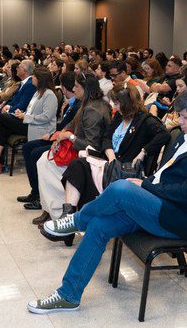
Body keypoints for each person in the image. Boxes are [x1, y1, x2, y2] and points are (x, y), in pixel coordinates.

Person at [28, 87, 187, 314]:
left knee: (122, 188)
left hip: (183, 220)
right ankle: (69, 295)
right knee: (99, 225)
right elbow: (164, 173)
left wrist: (144, 186)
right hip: (162, 204)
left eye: (184, 117)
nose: (179, 122)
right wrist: (147, 185)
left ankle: (75, 220)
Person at [35, 84, 169, 228]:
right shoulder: (119, 116)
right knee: (77, 165)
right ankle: (69, 217)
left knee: (79, 168)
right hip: (110, 164)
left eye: (117, 103)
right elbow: (106, 138)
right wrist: (110, 154)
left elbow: (164, 134)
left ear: (126, 103)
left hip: (124, 170)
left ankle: (70, 222)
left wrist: (144, 151)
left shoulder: (145, 120)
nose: (114, 106)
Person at [36, 73, 111, 220]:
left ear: (86, 88)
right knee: (43, 160)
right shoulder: (91, 103)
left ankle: (59, 213)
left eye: (77, 86)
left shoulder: (92, 110)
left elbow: (92, 146)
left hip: (91, 159)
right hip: (83, 153)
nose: (73, 89)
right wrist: (61, 134)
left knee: (44, 163)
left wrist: (69, 136)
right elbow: (74, 123)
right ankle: (51, 209)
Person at [0, 67, 59, 175]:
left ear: (40, 79)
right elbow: (32, 111)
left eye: (34, 76)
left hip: (39, 128)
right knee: (2, 128)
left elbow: (46, 117)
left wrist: (25, 117)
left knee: (3, 118)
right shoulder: (38, 92)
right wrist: (22, 114)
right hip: (30, 123)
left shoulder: (49, 95)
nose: (32, 78)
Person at [20, 72, 81, 211]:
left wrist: (53, 134)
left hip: (66, 141)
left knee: (35, 153)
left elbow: (64, 125)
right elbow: (64, 124)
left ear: (65, 88)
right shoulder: (71, 103)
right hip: (58, 135)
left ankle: (40, 197)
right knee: (28, 147)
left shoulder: (76, 105)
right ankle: (35, 191)